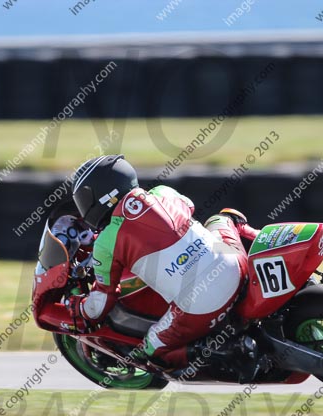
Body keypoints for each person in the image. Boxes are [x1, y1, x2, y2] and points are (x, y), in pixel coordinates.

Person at [64, 154, 259, 370]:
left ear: (98, 196)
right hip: (235, 264)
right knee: (220, 219)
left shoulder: (106, 241)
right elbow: (189, 206)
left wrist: (79, 308)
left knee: (152, 352)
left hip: (201, 304)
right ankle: (260, 239)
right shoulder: (163, 192)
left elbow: (101, 304)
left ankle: (231, 352)